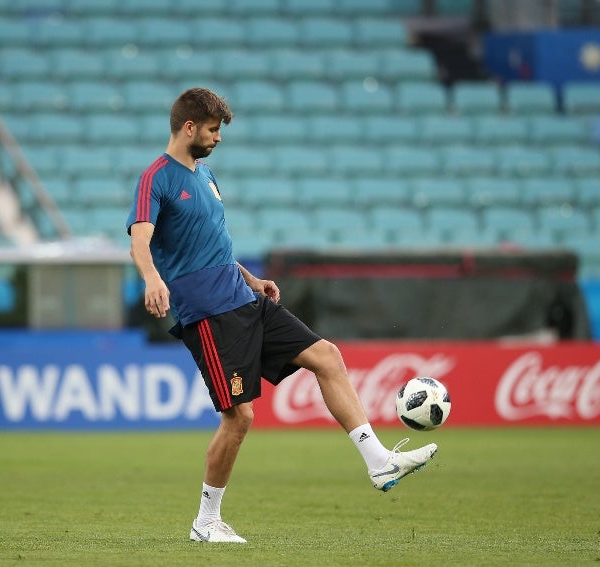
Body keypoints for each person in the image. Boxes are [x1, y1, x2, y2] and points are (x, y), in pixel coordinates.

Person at [126, 88, 438, 544]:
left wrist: (251, 280)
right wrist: (152, 278)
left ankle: (379, 461)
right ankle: (206, 521)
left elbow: (212, 244)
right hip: (210, 316)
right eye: (213, 130)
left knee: (327, 356)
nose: (218, 138)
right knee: (240, 418)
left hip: (244, 299)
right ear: (189, 127)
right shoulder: (157, 178)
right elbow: (140, 237)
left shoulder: (207, 174)